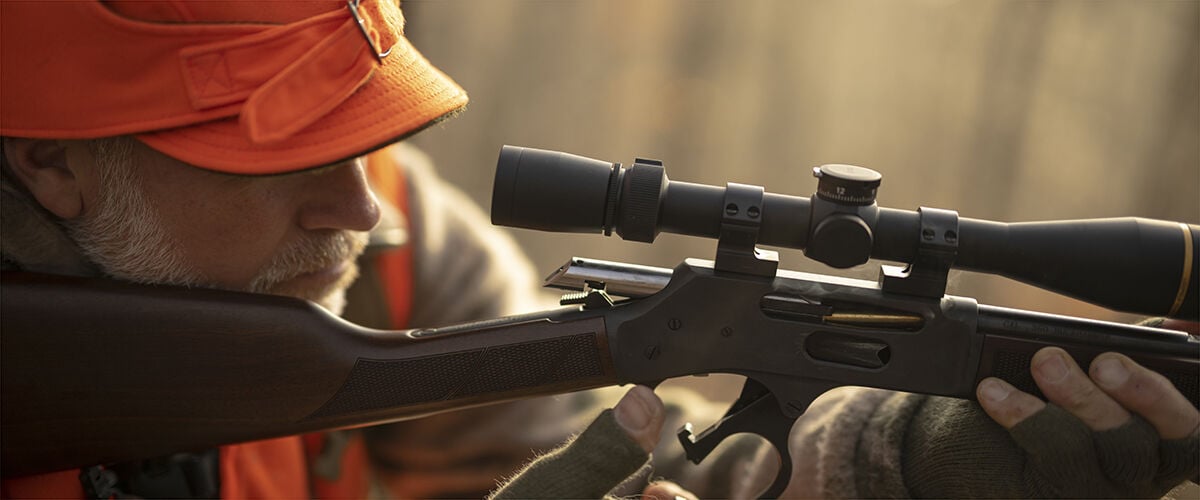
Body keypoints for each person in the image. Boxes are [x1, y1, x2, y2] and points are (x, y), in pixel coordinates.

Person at [0, 1, 1194, 499]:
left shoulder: (417, 267)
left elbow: (649, 445)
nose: (363, 207)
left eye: (363, 133)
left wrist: (895, 453)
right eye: (282, 146)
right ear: (53, 155)